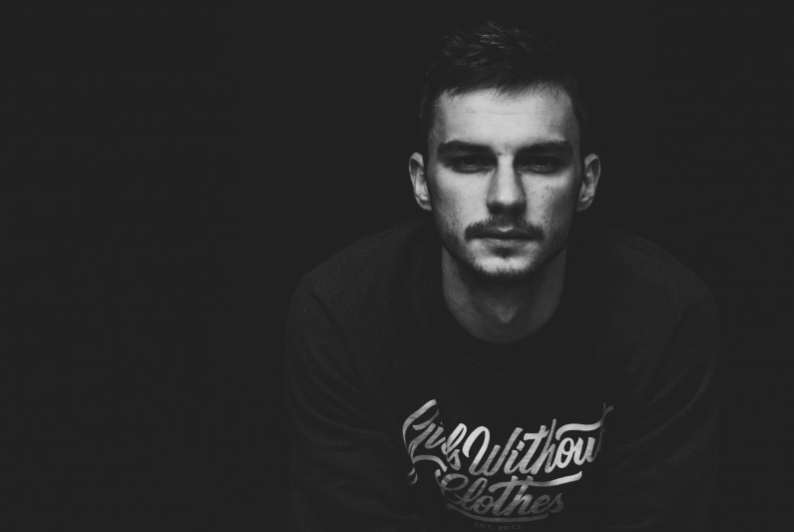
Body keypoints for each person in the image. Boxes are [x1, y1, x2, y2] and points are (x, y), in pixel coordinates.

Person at [284, 20, 721, 532]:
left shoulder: (665, 316)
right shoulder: (341, 313)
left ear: (586, 183)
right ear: (422, 182)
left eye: (540, 162)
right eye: (470, 161)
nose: (506, 198)